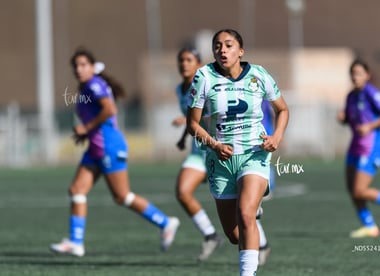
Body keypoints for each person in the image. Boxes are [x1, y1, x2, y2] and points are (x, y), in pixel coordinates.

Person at [50, 48, 180, 257]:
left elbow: (110, 109)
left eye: (83, 65)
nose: (79, 69)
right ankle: (75, 242)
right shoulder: (86, 88)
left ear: (93, 67)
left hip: (109, 146)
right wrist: (86, 133)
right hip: (95, 147)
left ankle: (165, 222)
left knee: (122, 196)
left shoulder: (94, 84)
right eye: (75, 66)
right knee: (77, 190)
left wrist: (86, 127)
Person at [186, 29, 289, 276]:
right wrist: (214, 145)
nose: (222, 50)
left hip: (254, 154)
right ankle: (253, 209)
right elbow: (193, 124)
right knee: (234, 235)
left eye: (229, 45)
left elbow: (282, 110)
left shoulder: (259, 75)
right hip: (220, 160)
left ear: (241, 51)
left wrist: (276, 137)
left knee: (245, 215)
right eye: (217, 46)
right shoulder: (204, 77)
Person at [337, 59, 380, 238]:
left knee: (360, 190)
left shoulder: (372, 93)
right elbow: (351, 120)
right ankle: (370, 226)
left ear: (367, 75)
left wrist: (370, 126)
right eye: (353, 73)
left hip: (371, 146)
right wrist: (343, 118)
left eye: (359, 73)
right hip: (355, 146)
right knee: (352, 189)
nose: (355, 76)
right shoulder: (351, 96)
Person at [172, 46, 222, 261]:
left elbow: (211, 114)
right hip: (197, 151)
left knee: (238, 204)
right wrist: (184, 137)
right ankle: (210, 234)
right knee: (182, 191)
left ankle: (261, 244)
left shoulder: (206, 83)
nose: (184, 64)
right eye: (181, 60)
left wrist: (186, 121)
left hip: (217, 148)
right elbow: (191, 116)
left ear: (198, 63)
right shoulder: (179, 89)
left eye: (189, 60)